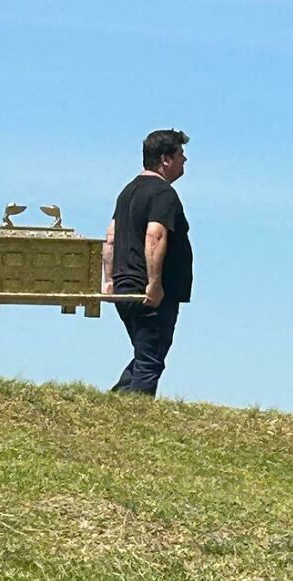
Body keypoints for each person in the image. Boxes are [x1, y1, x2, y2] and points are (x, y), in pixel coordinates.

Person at [103, 129, 193, 396]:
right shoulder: (163, 194)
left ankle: (119, 401)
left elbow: (110, 237)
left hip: (125, 287)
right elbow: (155, 235)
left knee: (146, 355)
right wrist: (154, 284)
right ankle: (134, 417)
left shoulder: (128, 192)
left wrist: (109, 281)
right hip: (149, 292)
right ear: (165, 159)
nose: (184, 160)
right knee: (150, 359)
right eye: (180, 155)